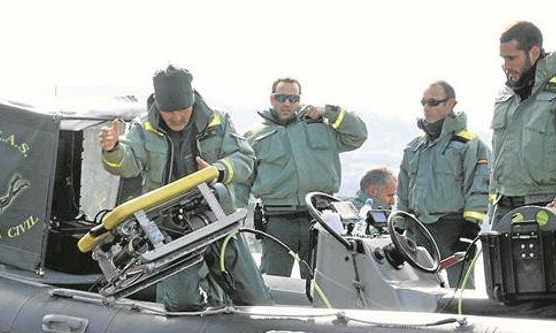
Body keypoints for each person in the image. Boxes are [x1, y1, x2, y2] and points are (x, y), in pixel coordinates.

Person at [98, 65, 272, 311]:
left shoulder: (218, 122)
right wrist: (112, 149)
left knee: (255, 296)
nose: (177, 117)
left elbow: (244, 159)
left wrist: (217, 170)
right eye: (169, 111)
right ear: (158, 105)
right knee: (182, 303)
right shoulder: (143, 127)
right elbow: (127, 164)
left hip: (216, 219)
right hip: (170, 231)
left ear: (192, 100)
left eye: (182, 109)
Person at [236, 77, 368, 277]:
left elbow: (358, 135)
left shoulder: (321, 126)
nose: (287, 103)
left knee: (322, 281)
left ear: (299, 100)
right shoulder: (254, 136)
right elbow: (242, 182)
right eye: (281, 97)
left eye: (293, 98)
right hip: (278, 221)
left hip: (318, 217)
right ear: (272, 99)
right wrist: (236, 217)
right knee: (273, 280)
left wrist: (328, 111)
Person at [490, 21, 556, 224]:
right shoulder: (507, 96)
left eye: (512, 58)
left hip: (548, 204)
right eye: (503, 58)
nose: (506, 65)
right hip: (504, 207)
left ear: (533, 52)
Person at [397, 81, 490, 289]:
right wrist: (399, 229)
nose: (426, 108)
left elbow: (479, 189)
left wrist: (469, 232)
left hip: (454, 229)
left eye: (433, 102)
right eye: (424, 102)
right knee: (418, 292)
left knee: (461, 294)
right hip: (417, 229)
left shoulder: (470, 145)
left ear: (451, 104)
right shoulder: (414, 148)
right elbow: (402, 192)